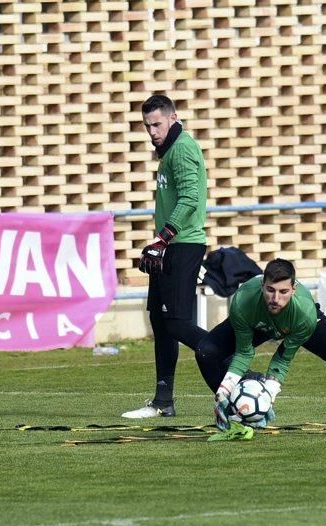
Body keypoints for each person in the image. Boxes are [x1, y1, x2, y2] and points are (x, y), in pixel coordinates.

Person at [195, 258, 326, 440]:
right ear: (262, 286)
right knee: (206, 351)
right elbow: (244, 353)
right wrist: (223, 391)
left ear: (294, 289)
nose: (275, 298)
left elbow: (282, 360)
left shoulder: (304, 313)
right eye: (270, 290)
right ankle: (237, 424)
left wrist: (268, 394)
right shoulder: (243, 301)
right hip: (260, 323)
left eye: (283, 291)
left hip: (299, 324)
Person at [122, 94, 209, 418]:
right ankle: (163, 401)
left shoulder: (183, 148)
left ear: (173, 118)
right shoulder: (169, 150)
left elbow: (191, 197)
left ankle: (233, 369)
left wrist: (164, 236)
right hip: (169, 245)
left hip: (183, 244)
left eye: (157, 124)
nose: (152, 131)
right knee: (161, 321)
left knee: (176, 323)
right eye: (147, 126)